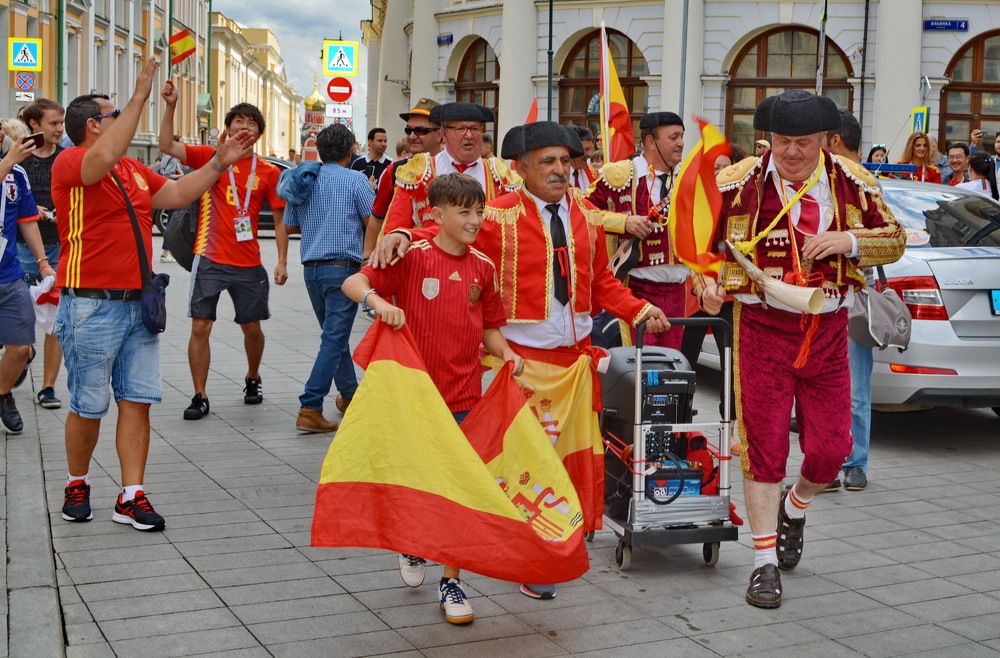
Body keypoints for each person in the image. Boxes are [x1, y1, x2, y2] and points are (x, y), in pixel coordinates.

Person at [375, 121, 675, 601]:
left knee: (549, 472)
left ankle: (535, 559)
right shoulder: (494, 216)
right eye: (548, 162)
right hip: (511, 367)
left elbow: (601, 282)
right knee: (488, 468)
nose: (560, 171)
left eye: (565, 161)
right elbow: (446, 231)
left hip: (571, 371)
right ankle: (428, 546)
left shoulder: (586, 216)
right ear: (520, 169)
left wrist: (640, 308)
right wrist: (404, 236)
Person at [707, 90, 905, 609]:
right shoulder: (738, 182)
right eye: (783, 141)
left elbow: (897, 238)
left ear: (826, 140)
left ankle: (796, 507)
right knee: (764, 448)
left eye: (805, 142)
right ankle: (763, 563)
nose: (792, 152)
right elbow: (712, 250)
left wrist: (850, 242)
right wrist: (711, 283)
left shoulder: (852, 182)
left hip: (828, 329)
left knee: (830, 450)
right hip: (762, 327)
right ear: (767, 139)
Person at [52, 58, 254, 531]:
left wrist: (220, 163)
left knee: (137, 400)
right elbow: (98, 161)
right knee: (87, 404)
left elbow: (180, 192)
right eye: (112, 112)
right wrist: (141, 98)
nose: (121, 115)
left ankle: (132, 494)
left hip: (137, 305)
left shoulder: (133, 170)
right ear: (91, 124)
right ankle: (77, 482)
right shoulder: (72, 161)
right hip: (90, 304)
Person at [344, 173, 523, 625]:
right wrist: (377, 303)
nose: (474, 220)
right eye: (463, 211)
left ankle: (452, 580)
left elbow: (490, 328)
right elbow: (354, 282)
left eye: (478, 211)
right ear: (436, 215)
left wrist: (506, 353)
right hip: (413, 395)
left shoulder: (483, 266)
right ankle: (412, 540)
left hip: (465, 394)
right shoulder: (412, 255)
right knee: (416, 476)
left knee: (457, 485)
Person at [158, 81, 289, 421]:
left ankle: (252, 376)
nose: (244, 127)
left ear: (259, 132)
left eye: (251, 123)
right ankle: (199, 394)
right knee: (200, 327)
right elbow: (165, 144)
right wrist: (171, 106)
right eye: (238, 121)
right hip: (210, 258)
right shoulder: (212, 157)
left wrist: (283, 262)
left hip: (249, 264)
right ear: (228, 127)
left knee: (252, 328)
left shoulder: (269, 172)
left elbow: (279, 220)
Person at [280, 125, 375, 433]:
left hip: (312, 269)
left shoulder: (304, 179)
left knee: (335, 337)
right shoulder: (357, 180)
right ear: (351, 150)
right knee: (334, 338)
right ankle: (310, 405)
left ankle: (349, 395)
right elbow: (370, 221)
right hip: (343, 268)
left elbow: (290, 224)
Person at [823, 110, 873, 493]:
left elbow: (886, 241)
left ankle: (855, 463)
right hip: (818, 302)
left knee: (855, 390)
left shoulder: (864, 185)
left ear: (835, 140)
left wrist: (850, 245)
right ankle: (825, 462)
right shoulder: (820, 181)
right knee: (824, 389)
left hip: (853, 301)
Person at [381, 102, 518, 235]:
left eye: (475, 129)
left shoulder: (499, 175)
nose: (469, 135)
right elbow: (394, 230)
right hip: (430, 257)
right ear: (442, 133)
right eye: (461, 129)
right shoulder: (419, 172)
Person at [0, 125, 56, 434]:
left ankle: (3, 392)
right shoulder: (10, 165)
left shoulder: (16, 175)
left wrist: (43, 263)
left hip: (9, 274)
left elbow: (27, 221)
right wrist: (8, 161)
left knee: (21, 348)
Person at [17, 99, 65, 409]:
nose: (60, 129)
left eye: (61, 124)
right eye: (53, 124)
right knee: (20, 317)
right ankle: (22, 351)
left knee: (55, 321)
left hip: (61, 247)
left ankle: (47, 387)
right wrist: (30, 209)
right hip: (21, 249)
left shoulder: (68, 158)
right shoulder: (18, 159)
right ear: (35, 125)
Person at [370, 98, 442, 226]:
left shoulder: (455, 168)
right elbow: (377, 219)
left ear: (440, 134)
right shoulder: (396, 170)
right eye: (409, 130)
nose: (412, 136)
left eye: (420, 131)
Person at [565, 124, 596, 191]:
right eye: (586, 149)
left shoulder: (591, 172)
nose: (590, 154)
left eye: (591, 149)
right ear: (571, 150)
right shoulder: (559, 176)